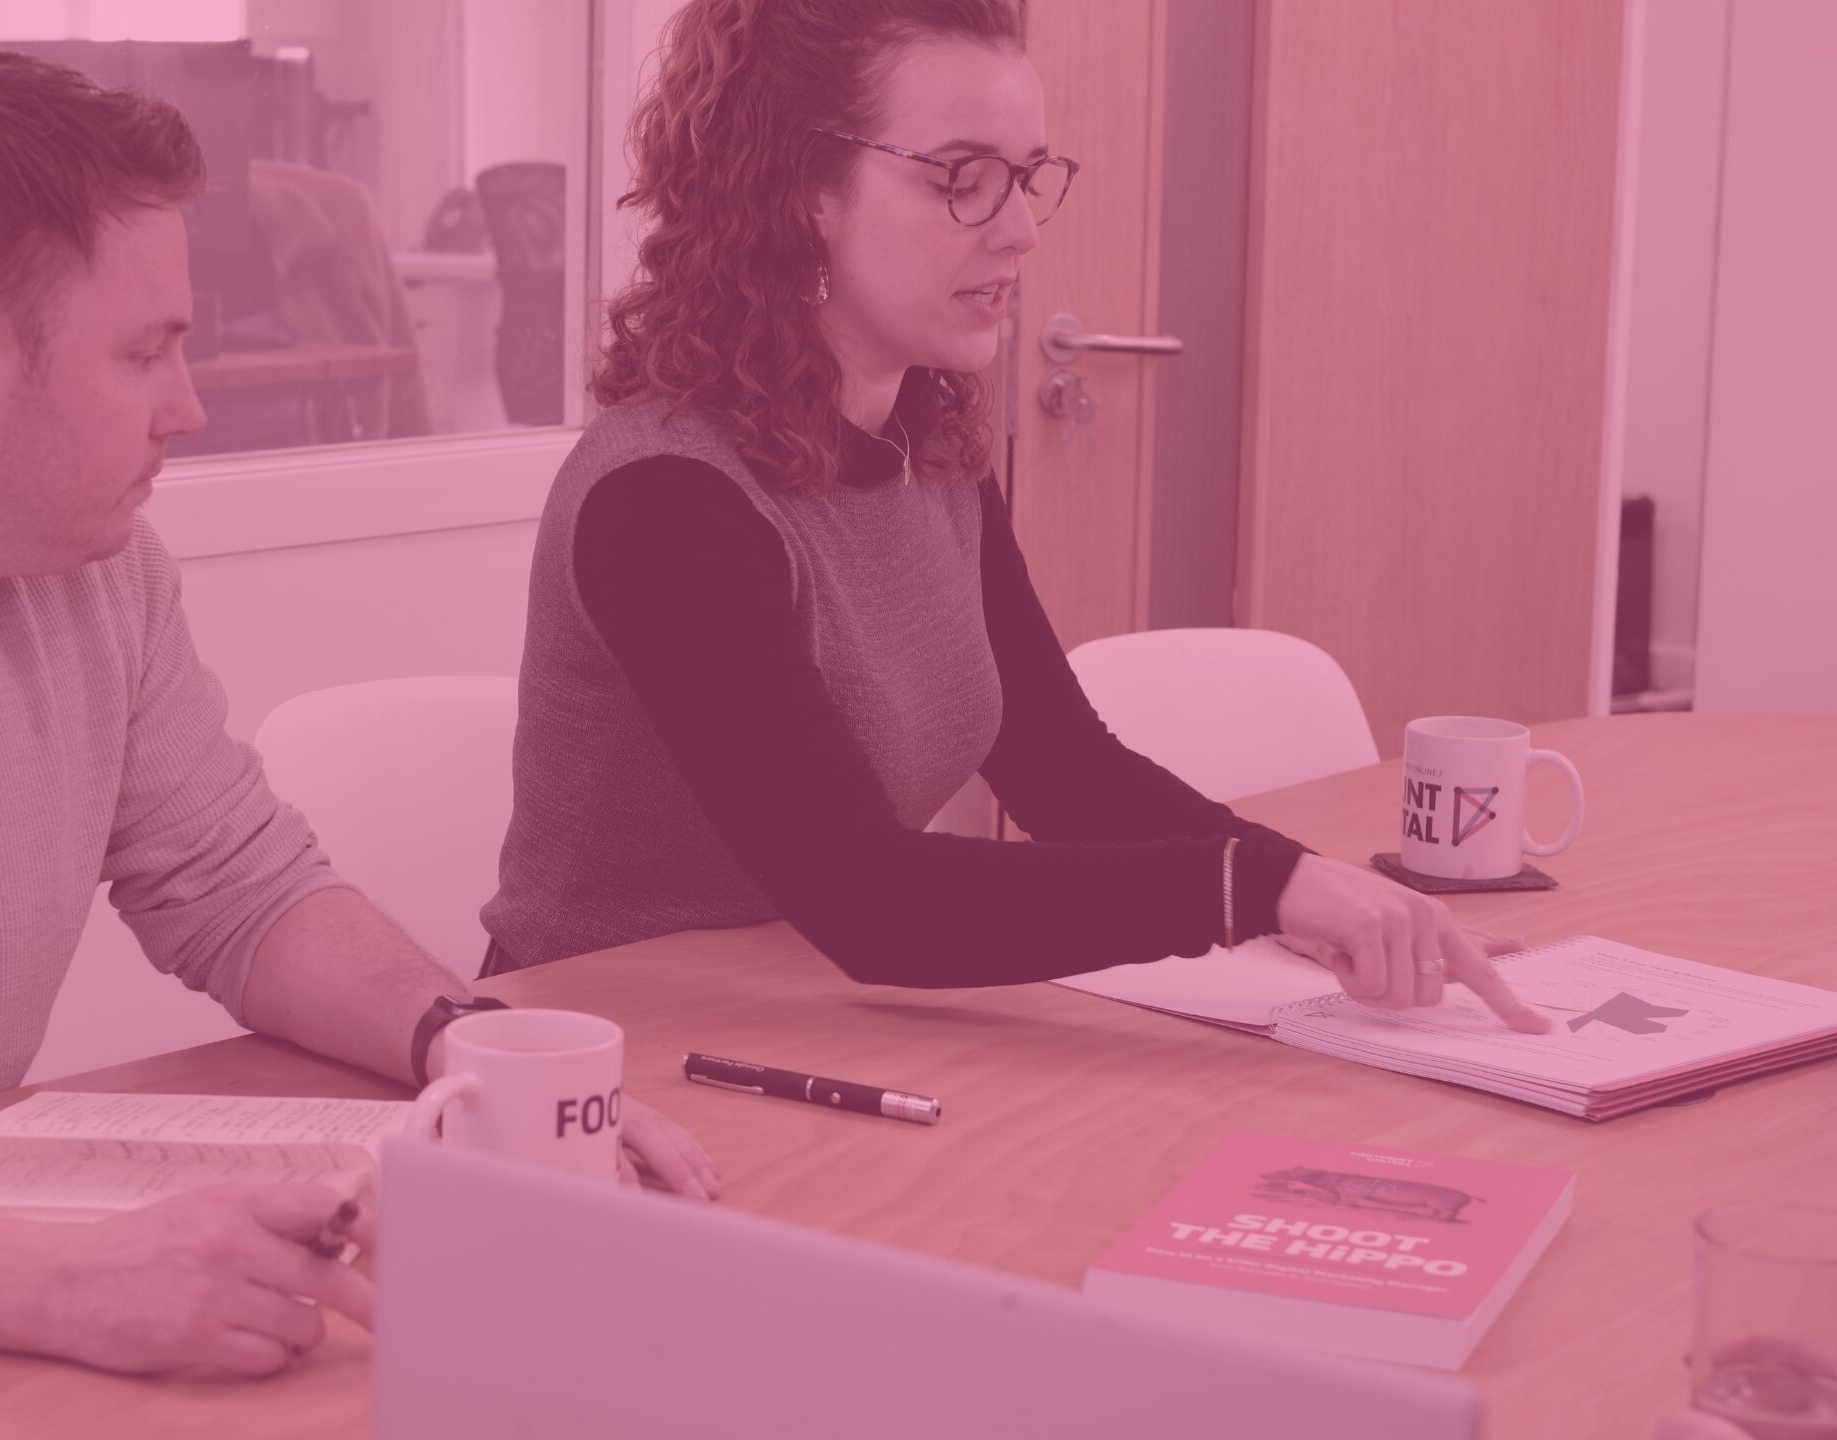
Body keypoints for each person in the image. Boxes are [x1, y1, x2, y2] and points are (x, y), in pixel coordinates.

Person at [481, 0, 1553, 1038]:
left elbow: (1066, 771)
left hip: (817, 1022)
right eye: (964, 180)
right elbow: (873, 899)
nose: (1023, 229)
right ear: (803, 186)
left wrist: (1305, 889)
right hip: (609, 1062)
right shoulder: (669, 502)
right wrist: (1251, 892)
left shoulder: (928, 447)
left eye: (1030, 177)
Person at [0, 43, 717, 1380]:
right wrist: (56, 1281)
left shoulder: (98, 580)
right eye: (144, 355)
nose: (189, 406)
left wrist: (461, 1043)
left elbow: (236, 884)